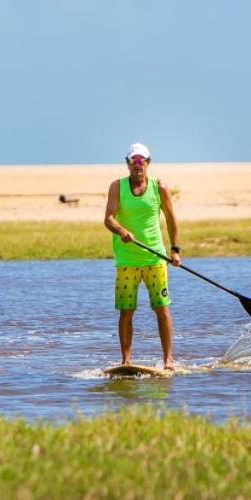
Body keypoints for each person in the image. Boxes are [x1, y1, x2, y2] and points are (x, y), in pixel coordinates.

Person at [104, 141, 181, 371]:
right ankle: (126, 360)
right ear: (127, 164)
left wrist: (175, 250)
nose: (138, 164)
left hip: (155, 259)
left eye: (142, 160)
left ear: (149, 163)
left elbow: (170, 218)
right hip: (127, 260)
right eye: (133, 160)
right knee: (126, 311)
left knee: (161, 308)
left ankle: (168, 360)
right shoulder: (117, 187)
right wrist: (121, 231)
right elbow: (108, 218)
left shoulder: (160, 187)